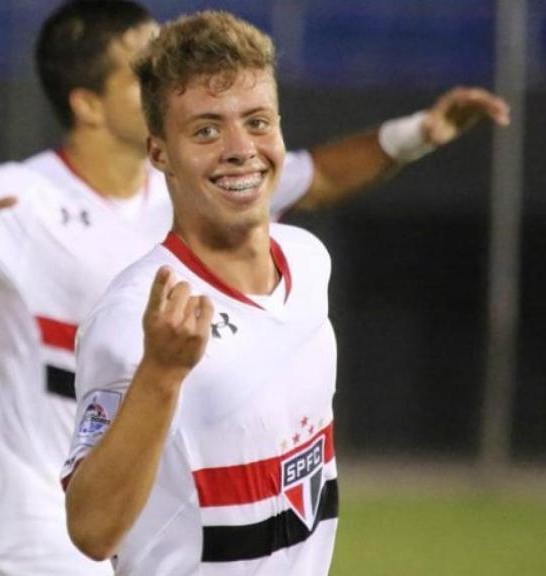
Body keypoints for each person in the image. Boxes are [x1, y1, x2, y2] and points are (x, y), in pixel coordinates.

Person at [0, 1, 508, 574]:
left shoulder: (220, 187)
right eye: (139, 64)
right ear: (89, 104)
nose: (159, 68)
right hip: (24, 505)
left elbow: (322, 175)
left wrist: (421, 132)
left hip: (144, 494)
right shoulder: (20, 197)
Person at [64, 11, 345, 573]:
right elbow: (92, 531)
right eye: (206, 130)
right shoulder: (136, 316)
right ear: (160, 153)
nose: (241, 148)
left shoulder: (310, 263)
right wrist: (161, 375)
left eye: (258, 122)